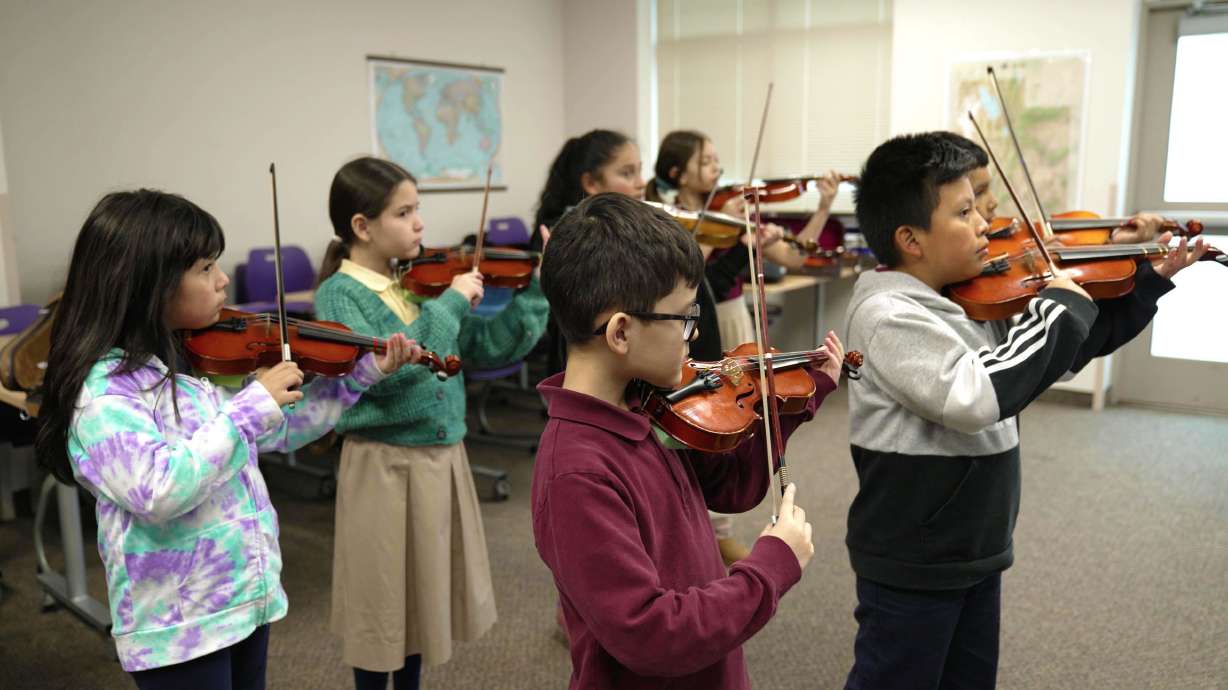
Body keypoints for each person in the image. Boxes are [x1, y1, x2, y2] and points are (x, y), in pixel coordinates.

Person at [841, 132, 1207, 689]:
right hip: (914, 554)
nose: (987, 222)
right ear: (910, 238)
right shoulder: (888, 315)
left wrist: (1146, 284)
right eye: (965, 211)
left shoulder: (966, 295)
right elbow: (975, 395)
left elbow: (1049, 359)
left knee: (968, 678)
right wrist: (1057, 304)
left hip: (976, 543)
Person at [35, 189, 418, 690]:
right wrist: (251, 405)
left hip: (239, 599)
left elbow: (268, 433)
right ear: (145, 282)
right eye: (204, 267)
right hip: (180, 626)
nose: (222, 280)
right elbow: (159, 488)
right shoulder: (104, 395)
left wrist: (357, 376)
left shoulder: (183, 368)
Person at [533, 192, 846, 689]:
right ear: (620, 333)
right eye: (683, 318)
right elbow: (652, 634)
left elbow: (732, 488)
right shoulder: (578, 472)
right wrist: (769, 567)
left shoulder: (647, 404)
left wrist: (793, 402)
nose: (692, 337)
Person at [314, 156, 550, 690]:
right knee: (381, 607)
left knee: (420, 604)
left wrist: (536, 290)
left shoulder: (413, 286)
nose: (420, 223)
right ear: (362, 226)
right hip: (383, 465)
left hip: (439, 461)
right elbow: (394, 383)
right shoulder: (340, 295)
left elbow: (489, 349)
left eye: (417, 209)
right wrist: (448, 307)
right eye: (404, 212)